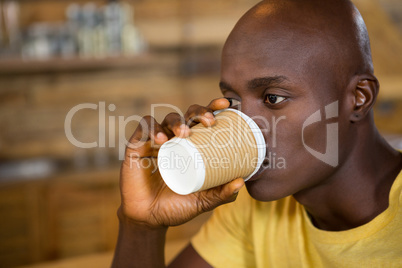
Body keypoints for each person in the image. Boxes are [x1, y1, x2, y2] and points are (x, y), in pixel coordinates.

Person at [112, 0, 402, 267]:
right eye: (233, 102)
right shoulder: (256, 213)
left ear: (358, 98)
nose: (243, 126)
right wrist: (142, 224)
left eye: (272, 98)